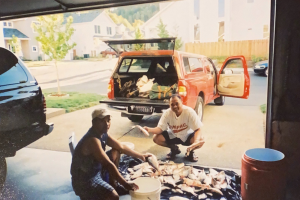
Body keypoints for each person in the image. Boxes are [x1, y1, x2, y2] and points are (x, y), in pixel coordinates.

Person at [71, 108, 151, 200]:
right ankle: (87, 196)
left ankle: (114, 185)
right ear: (94, 122)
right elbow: (108, 164)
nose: (106, 124)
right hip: (85, 181)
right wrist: (125, 184)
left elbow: (121, 146)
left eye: (108, 120)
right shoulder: (92, 140)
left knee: (116, 151)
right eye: (102, 121)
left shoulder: (103, 133)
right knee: (114, 197)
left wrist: (141, 156)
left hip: (95, 169)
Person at [144, 94, 205, 162]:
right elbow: (160, 129)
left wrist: (196, 142)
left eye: (177, 103)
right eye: (172, 104)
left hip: (187, 136)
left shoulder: (189, 112)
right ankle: (174, 149)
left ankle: (191, 152)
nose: (175, 106)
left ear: (182, 102)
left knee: (200, 139)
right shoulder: (167, 113)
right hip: (173, 135)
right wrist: (148, 129)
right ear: (169, 105)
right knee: (156, 138)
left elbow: (198, 129)